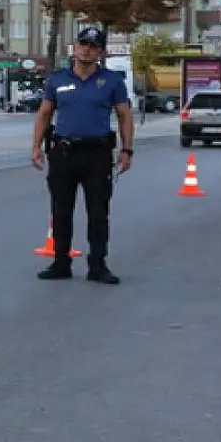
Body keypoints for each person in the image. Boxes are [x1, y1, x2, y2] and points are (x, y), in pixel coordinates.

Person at [30, 27, 133, 285]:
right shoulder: (57, 80)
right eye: (83, 44)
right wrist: (36, 147)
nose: (87, 50)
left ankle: (97, 265)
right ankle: (60, 262)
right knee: (60, 211)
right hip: (64, 153)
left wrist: (127, 150)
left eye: (93, 46)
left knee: (98, 213)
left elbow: (124, 115)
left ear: (101, 52)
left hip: (97, 155)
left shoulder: (111, 81)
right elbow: (44, 114)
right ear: (75, 47)